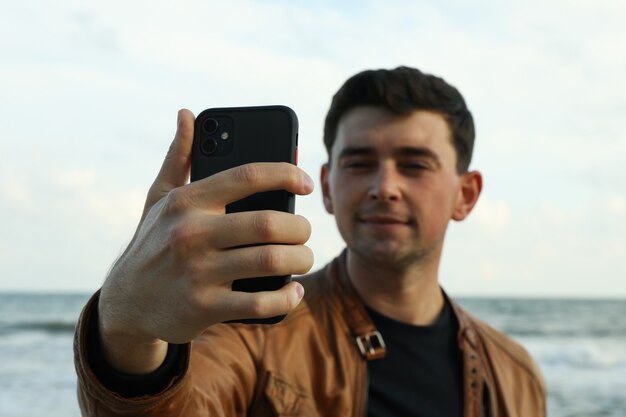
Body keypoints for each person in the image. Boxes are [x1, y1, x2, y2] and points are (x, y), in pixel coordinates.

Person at [74, 66, 546, 416]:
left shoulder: (514, 375)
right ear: (326, 185)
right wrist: (126, 327)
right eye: (359, 163)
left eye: (415, 164)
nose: (384, 186)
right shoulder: (252, 331)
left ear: (466, 195)